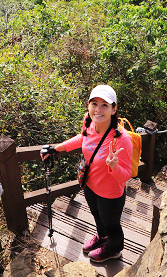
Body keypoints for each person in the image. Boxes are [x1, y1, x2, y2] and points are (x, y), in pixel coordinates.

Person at [40, 85, 132, 262]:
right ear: (88, 105)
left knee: (111, 224)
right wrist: (56, 149)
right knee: (97, 216)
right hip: (90, 184)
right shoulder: (89, 121)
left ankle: (114, 249)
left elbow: (126, 175)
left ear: (114, 109)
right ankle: (102, 237)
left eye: (105, 105)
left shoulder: (121, 139)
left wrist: (113, 166)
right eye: (94, 103)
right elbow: (83, 138)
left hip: (110, 193)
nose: (98, 109)